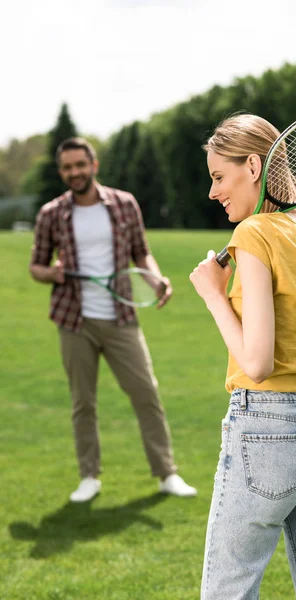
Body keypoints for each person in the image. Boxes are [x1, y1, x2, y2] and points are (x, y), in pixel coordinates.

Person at [189, 114, 296, 600]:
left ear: (254, 166)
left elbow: (257, 365)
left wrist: (213, 295)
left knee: (228, 591)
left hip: (264, 434)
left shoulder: (255, 234)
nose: (213, 191)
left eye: (219, 176)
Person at [30, 137, 197, 502]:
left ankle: (167, 473)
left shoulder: (124, 204)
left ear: (94, 165)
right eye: (67, 168)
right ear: (62, 172)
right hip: (74, 320)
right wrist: (53, 274)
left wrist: (155, 278)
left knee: (146, 394)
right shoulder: (51, 214)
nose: (74, 172)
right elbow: (36, 266)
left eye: (80, 165)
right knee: (83, 403)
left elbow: (142, 252)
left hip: (121, 316)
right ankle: (89, 476)